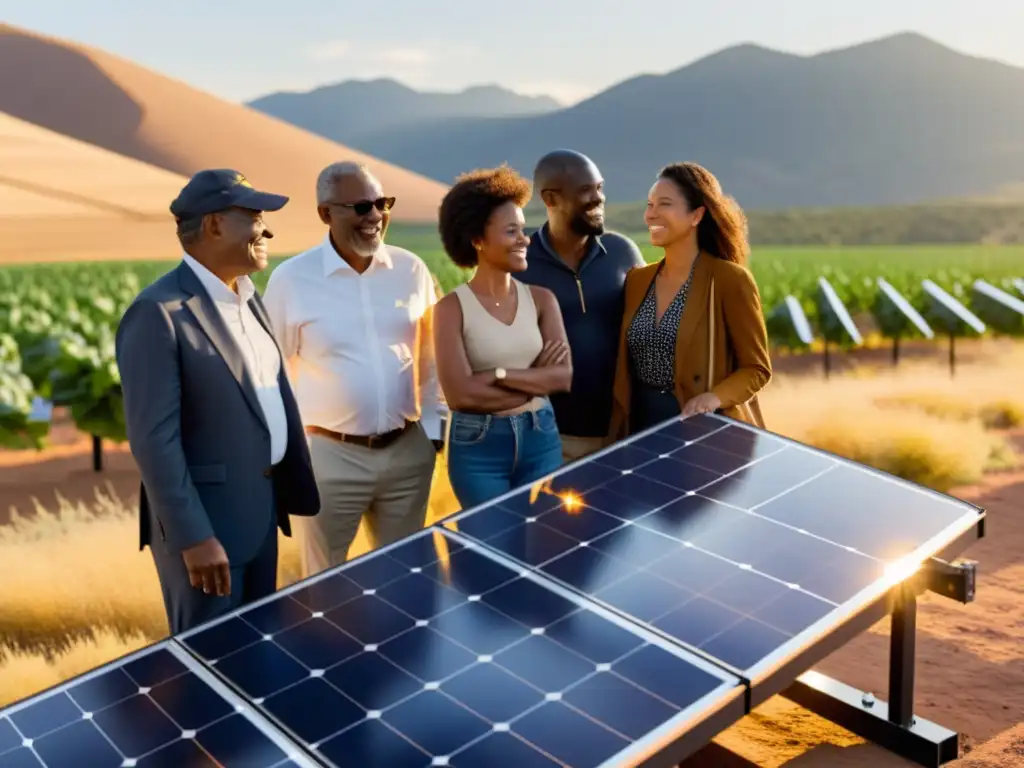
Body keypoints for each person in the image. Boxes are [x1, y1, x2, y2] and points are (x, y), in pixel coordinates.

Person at [115, 169, 320, 634]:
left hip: (259, 518)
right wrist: (194, 538)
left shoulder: (248, 298)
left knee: (254, 658)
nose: (266, 229)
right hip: (207, 536)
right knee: (210, 671)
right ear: (213, 225)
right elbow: (153, 441)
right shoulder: (158, 313)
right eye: (254, 216)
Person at [262, 161, 442, 578]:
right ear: (326, 213)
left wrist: (433, 429)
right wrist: (288, 455)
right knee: (325, 585)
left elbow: (430, 357)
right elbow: (273, 375)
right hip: (328, 457)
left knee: (406, 577)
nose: (376, 217)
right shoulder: (292, 279)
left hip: (407, 452)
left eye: (382, 203)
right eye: (362, 207)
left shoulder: (411, 270)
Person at [434, 165, 572, 510]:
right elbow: (460, 394)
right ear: (477, 239)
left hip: (541, 437)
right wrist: (535, 378)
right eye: (512, 231)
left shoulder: (542, 300)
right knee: (492, 546)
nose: (525, 239)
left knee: (542, 543)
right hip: (477, 448)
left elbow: (562, 376)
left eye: (523, 229)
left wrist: (498, 376)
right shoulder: (450, 309)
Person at [609, 162, 771, 438]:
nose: (651, 215)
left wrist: (714, 398)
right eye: (649, 205)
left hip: (705, 427)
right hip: (640, 425)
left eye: (665, 204)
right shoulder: (637, 280)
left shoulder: (729, 280)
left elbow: (756, 368)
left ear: (696, 215)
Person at [518, 149, 645, 463]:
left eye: (599, 188)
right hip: (552, 440)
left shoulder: (623, 252)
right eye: (586, 191)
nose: (598, 198)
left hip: (625, 434)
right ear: (551, 199)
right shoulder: (518, 261)